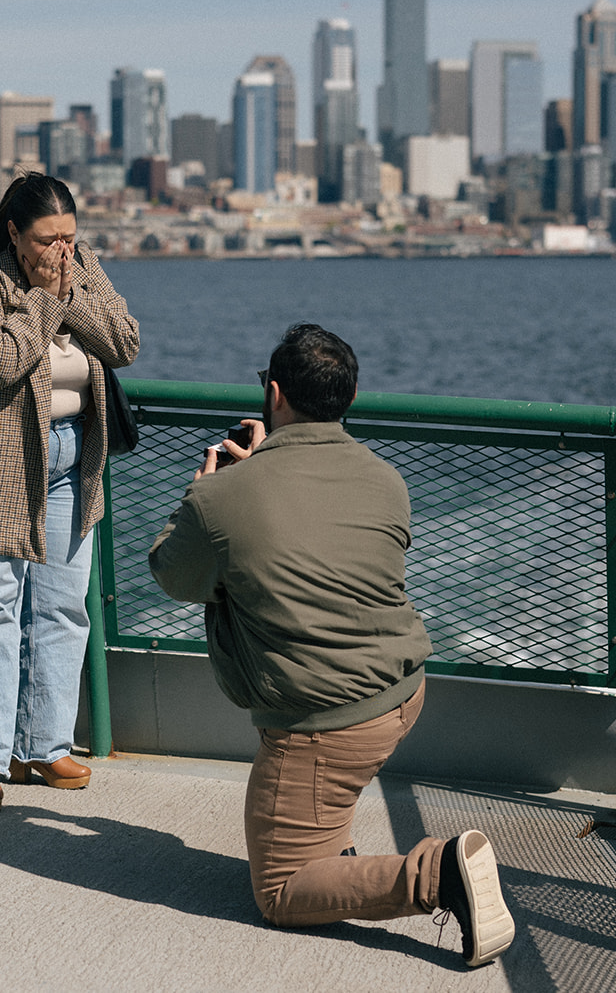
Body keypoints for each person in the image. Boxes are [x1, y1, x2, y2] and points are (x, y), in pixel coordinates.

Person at [147, 324, 515, 967]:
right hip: (401, 692)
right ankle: (331, 848)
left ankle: (442, 874)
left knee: (281, 891)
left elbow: (173, 574)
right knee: (318, 800)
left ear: (276, 393)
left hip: (325, 723)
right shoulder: (386, 480)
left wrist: (203, 492)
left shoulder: (223, 498)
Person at [0, 173, 139, 813]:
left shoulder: (82, 268)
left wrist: (66, 291)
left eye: (71, 238)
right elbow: (0, 363)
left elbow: (125, 342)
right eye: (48, 240)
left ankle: (43, 745)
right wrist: (49, 300)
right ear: (14, 233)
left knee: (62, 605)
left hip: (74, 456)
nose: (62, 252)